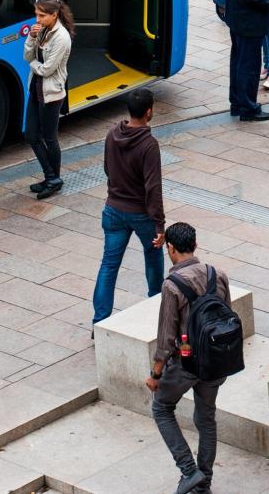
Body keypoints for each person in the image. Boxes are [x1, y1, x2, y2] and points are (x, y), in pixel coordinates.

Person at [147, 222, 230, 494]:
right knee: (206, 418)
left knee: (161, 408)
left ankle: (189, 471)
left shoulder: (172, 286)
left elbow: (166, 338)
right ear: (195, 245)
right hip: (215, 360)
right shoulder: (217, 274)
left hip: (185, 363)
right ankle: (203, 483)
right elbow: (226, 316)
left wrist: (156, 374)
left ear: (170, 248)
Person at [94, 89, 166, 324]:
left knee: (109, 265)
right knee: (153, 257)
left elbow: (107, 169)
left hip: (113, 209)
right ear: (148, 111)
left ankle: (100, 321)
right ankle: (158, 308)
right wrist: (159, 225)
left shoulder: (112, 134)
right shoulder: (149, 145)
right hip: (141, 214)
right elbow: (153, 188)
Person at [24, 0, 73, 198]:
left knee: (49, 138)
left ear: (54, 15)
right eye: (36, 14)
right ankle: (51, 177)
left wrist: (33, 65)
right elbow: (27, 55)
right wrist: (31, 37)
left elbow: (46, 69)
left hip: (52, 93)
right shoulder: (42, 31)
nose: (37, 19)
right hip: (36, 89)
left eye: (42, 15)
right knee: (31, 135)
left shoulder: (61, 37)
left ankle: (53, 178)